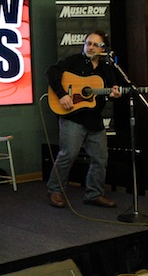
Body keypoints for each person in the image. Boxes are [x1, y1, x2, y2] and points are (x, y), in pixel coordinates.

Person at [46, 31, 121, 208]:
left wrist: (114, 92)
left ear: (103, 48)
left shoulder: (107, 69)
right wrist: (62, 95)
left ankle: (94, 194)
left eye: (95, 44)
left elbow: (109, 90)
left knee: (100, 158)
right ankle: (55, 190)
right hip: (73, 117)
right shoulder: (73, 61)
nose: (90, 47)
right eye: (88, 43)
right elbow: (51, 73)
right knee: (68, 154)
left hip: (94, 120)